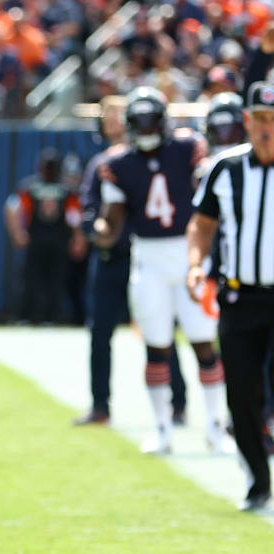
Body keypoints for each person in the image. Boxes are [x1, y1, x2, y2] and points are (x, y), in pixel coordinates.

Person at [92, 86, 232, 455]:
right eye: (137, 120)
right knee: (157, 347)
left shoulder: (188, 149)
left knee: (205, 344)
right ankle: (163, 428)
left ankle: (216, 427)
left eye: (149, 119)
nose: (144, 126)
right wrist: (102, 232)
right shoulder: (118, 164)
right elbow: (113, 218)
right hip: (148, 258)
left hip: (188, 256)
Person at [74, 96, 188, 426]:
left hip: (148, 255)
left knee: (161, 328)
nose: (112, 121)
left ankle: (178, 401)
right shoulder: (103, 164)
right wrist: (97, 228)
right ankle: (100, 405)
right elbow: (91, 209)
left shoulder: (158, 158)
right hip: (112, 258)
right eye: (107, 115)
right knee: (101, 333)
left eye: (117, 115)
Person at [187, 80, 274, 511]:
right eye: (260, 119)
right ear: (246, 121)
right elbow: (202, 225)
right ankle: (258, 480)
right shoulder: (226, 168)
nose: (267, 129)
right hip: (239, 299)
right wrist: (195, 265)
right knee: (240, 393)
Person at [5, 148, 84, 325]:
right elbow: (12, 208)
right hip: (39, 238)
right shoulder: (31, 186)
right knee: (32, 278)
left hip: (57, 239)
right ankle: (28, 315)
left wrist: (78, 238)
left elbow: (75, 216)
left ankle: (49, 316)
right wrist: (17, 232)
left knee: (54, 279)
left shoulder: (65, 189)